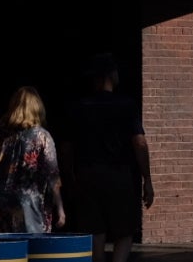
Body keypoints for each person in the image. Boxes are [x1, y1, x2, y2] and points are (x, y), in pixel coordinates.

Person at [62, 54, 153, 262]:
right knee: (124, 231)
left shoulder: (78, 107)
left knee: (95, 230)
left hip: (87, 175)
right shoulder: (126, 105)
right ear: (110, 75)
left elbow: (66, 148)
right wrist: (147, 179)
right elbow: (139, 143)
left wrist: (70, 177)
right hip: (119, 176)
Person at [0, 86, 66, 234]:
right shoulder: (41, 137)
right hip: (29, 207)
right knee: (31, 252)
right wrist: (60, 207)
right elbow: (52, 174)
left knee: (4, 254)